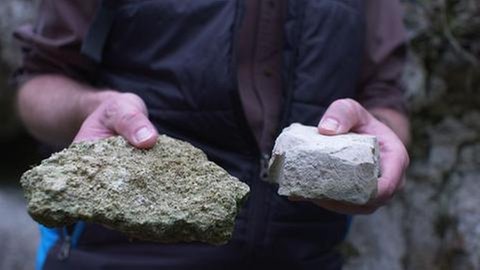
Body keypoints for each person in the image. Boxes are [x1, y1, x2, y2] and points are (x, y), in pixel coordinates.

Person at [14, 0, 410, 269]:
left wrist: (381, 140)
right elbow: (39, 84)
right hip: (120, 256)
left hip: (305, 257)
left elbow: (385, 99)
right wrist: (92, 107)